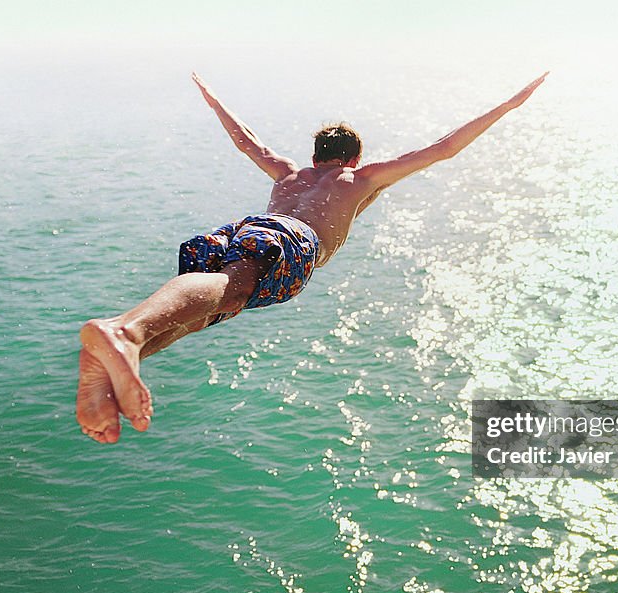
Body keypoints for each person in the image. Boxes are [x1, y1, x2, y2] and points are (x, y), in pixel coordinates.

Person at [76, 70, 549, 443]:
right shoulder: (359, 179)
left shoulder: (287, 172)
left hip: (250, 228)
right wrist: (509, 105)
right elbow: (443, 149)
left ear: (317, 154)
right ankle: (126, 330)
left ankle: (117, 361)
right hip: (295, 239)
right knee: (233, 289)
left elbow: (247, 142)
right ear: (354, 159)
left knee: (215, 305)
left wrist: (214, 100)